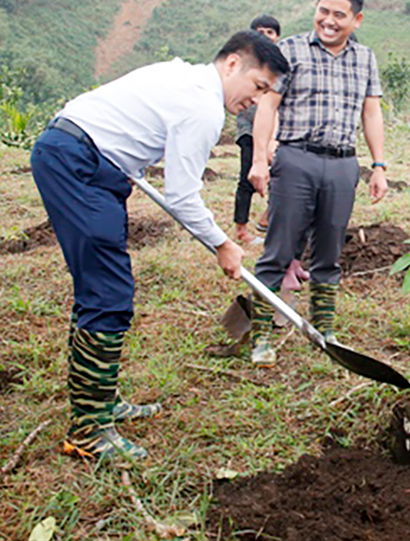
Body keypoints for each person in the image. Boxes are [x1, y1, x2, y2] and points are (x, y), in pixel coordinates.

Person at [30, 31, 289, 459]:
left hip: (81, 156)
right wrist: (223, 243)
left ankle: (101, 403)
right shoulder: (202, 106)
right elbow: (182, 197)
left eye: (266, 94)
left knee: (99, 289)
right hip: (79, 165)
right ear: (232, 64)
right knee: (107, 293)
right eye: (258, 86)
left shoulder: (181, 75)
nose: (257, 101)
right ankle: (89, 430)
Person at [245, 0, 388, 367]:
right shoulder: (289, 50)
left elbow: (371, 113)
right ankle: (261, 335)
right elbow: (267, 107)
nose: (328, 20)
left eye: (339, 15)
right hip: (296, 159)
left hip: (343, 164)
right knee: (278, 249)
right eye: (323, 11)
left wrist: (378, 165)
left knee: (329, 251)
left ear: (356, 20)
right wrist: (259, 160)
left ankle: (325, 330)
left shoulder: (365, 58)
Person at [233, 14, 281, 245]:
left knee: (281, 176)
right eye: (260, 32)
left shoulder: (281, 65)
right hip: (249, 129)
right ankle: (241, 230)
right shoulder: (243, 63)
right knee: (247, 178)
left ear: (277, 36)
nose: (265, 36)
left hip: (276, 129)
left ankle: (267, 219)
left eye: (270, 32)